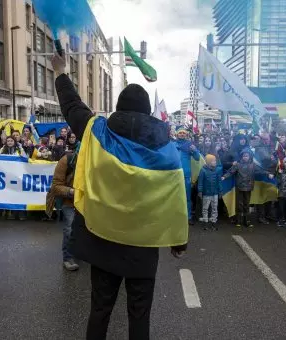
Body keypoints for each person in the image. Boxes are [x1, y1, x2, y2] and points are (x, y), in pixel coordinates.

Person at [52, 51, 187, 340]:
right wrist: (178, 240)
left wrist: (61, 72)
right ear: (148, 111)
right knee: (139, 316)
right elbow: (177, 196)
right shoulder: (166, 148)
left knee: (100, 310)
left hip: (103, 239)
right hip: (144, 245)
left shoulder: (98, 131)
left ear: (118, 107)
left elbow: (72, 106)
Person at [48, 144, 81, 271]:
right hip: (69, 202)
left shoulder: (94, 162)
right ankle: (68, 258)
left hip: (88, 203)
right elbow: (56, 186)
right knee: (69, 228)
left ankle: (81, 253)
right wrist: (74, 192)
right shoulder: (66, 160)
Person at [222, 149, 273, 228]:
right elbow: (230, 172)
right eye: (244, 156)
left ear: (250, 157)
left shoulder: (253, 165)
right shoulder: (237, 165)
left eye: (247, 156)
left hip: (248, 187)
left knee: (246, 204)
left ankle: (247, 220)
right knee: (239, 204)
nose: (245, 157)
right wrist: (224, 176)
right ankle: (238, 220)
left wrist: (268, 173)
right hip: (239, 187)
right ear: (241, 157)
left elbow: (261, 171)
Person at [174, 127, 201, 225]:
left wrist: (195, 150)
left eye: (183, 133)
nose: (182, 134)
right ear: (177, 134)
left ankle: (188, 216)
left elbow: (197, 158)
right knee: (175, 196)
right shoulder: (173, 145)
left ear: (186, 135)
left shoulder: (189, 145)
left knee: (187, 197)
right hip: (175, 174)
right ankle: (176, 216)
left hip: (186, 175)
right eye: (180, 133)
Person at [197, 154, 221, 230]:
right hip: (206, 194)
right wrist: (200, 191)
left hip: (215, 193)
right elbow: (200, 182)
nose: (215, 162)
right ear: (208, 162)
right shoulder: (203, 170)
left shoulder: (217, 170)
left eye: (215, 161)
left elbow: (219, 182)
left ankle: (214, 222)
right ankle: (205, 223)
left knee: (214, 208)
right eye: (213, 161)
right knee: (205, 208)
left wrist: (220, 191)